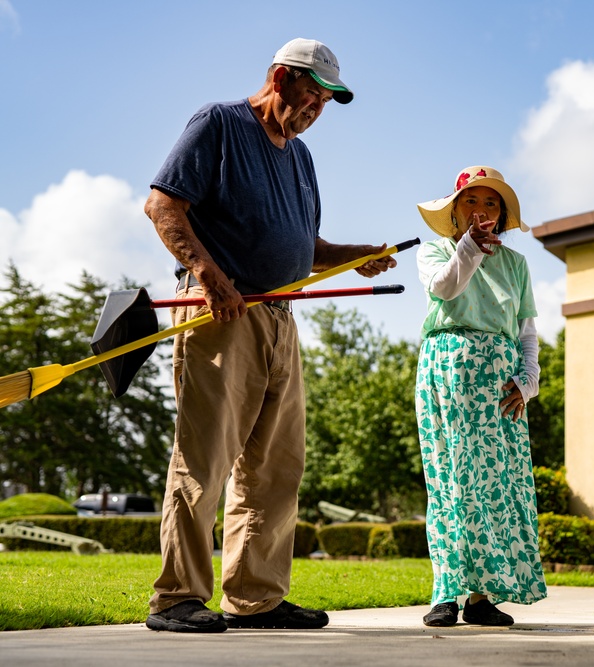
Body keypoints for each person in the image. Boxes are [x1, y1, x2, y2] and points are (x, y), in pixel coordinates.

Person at [143, 38, 397, 633]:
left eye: (329, 99)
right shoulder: (220, 125)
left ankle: (255, 597)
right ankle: (176, 596)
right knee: (206, 457)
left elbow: (301, 246)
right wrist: (209, 275)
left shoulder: (300, 157)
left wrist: (350, 255)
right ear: (280, 77)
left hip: (281, 316)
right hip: (221, 315)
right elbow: (162, 207)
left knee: (276, 466)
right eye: (312, 91)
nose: (317, 106)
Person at [414, 166, 547, 627]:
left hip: (500, 382)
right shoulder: (437, 251)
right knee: (451, 478)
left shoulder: (517, 265)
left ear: (503, 214)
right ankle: (445, 592)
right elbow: (446, 287)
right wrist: (469, 247)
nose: (482, 210)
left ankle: (480, 595)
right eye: (473, 201)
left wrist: (529, 380)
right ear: (455, 211)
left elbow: (527, 330)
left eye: (492, 203)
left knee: (495, 486)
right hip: (447, 370)